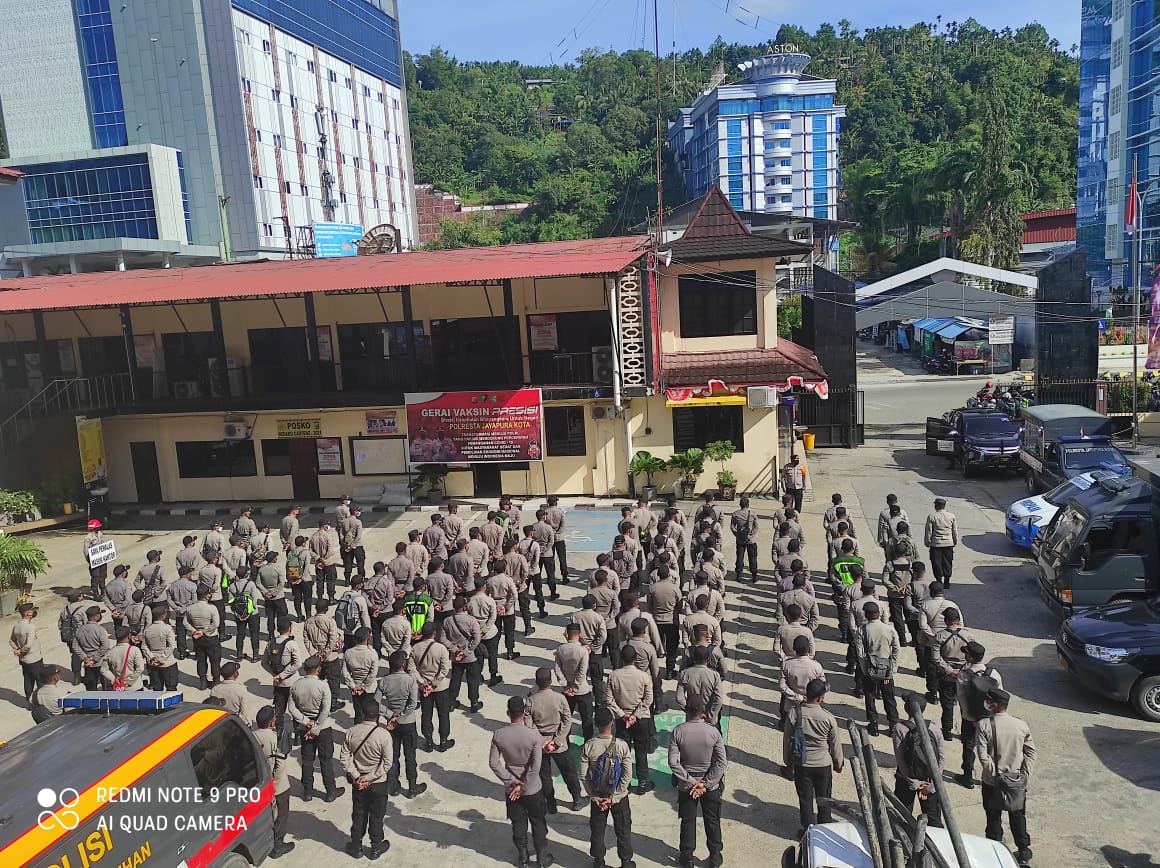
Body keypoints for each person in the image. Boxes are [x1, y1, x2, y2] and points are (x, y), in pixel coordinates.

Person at [491, 694, 555, 868]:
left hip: (511, 790)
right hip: (533, 788)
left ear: (508, 713)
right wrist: (524, 785)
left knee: (518, 823)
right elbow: (535, 766)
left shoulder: (499, 735)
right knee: (538, 822)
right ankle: (541, 859)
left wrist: (512, 782)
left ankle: (523, 858)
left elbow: (494, 763)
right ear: (525, 711)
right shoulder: (533, 735)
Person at [976, 689, 1036, 866]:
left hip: (992, 782)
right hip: (1016, 782)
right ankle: (1023, 852)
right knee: (1018, 817)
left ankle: (995, 853)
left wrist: (995, 774)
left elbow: (983, 756)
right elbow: (1031, 753)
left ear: (994, 705)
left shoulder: (984, 725)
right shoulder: (1021, 725)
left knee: (993, 817)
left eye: (989, 701)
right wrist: (1025, 777)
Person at [669, 698, 727, 868]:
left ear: (687, 711)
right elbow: (721, 762)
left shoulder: (678, 731)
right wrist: (705, 783)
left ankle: (687, 857)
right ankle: (715, 856)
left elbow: (673, 762)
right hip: (711, 785)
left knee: (687, 820)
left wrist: (691, 781)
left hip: (686, 785)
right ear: (703, 712)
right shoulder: (713, 732)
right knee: (712, 820)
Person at [581, 705, 635, 868]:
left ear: (596, 724)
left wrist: (594, 796)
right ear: (612, 723)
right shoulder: (621, 745)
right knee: (623, 828)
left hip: (598, 794)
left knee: (597, 830)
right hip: (619, 796)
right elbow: (627, 774)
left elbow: (583, 775)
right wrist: (615, 796)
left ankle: (599, 861)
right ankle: (626, 861)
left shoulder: (589, 746)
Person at [340, 696, 393, 859]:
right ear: (378, 715)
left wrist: (357, 776)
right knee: (377, 815)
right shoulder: (384, 735)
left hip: (358, 783)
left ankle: (356, 846)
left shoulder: (351, 732)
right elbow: (387, 763)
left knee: (358, 813)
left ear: (362, 713)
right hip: (378, 783)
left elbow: (344, 758)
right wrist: (370, 777)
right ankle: (376, 846)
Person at [527, 667, 585, 813]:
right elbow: (567, 720)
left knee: (544, 775)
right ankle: (577, 799)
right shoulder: (560, 698)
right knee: (569, 771)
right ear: (550, 681)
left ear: (537, 682)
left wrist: (542, 742)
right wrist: (557, 740)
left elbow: (529, 725)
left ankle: (550, 804)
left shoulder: (531, 701)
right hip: (559, 742)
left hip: (540, 743)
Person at [791, 678, 845, 833]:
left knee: (805, 799)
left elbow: (787, 738)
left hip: (802, 764)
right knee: (824, 799)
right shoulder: (828, 718)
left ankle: (808, 832)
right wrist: (838, 763)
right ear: (821, 698)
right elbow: (835, 744)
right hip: (823, 765)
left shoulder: (795, 713)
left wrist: (788, 760)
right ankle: (824, 830)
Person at [289, 655, 345, 803]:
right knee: (326, 760)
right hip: (322, 728)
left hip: (304, 728)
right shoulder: (323, 686)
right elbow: (325, 710)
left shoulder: (296, 685)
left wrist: (305, 722)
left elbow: (292, 708)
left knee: (307, 760)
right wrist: (315, 728)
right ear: (318, 669)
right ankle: (330, 791)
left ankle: (308, 791)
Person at [377, 650, 427, 799]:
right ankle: (412, 786)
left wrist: (390, 714)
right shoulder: (410, 680)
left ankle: (393, 786)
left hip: (392, 724)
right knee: (410, 756)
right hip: (408, 723)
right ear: (403, 664)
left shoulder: (384, 681)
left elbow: (376, 702)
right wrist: (402, 714)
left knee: (393, 756)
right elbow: (413, 703)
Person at [606, 644, 654, 795]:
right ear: (635, 659)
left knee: (623, 753)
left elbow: (609, 699)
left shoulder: (613, 676)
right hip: (641, 719)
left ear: (621, 658)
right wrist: (635, 715)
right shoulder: (644, 676)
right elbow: (648, 699)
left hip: (622, 721)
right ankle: (642, 783)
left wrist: (622, 715)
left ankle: (624, 784)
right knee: (641, 751)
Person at [893, 693, 946, 828]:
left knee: (902, 816)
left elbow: (900, 760)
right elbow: (941, 758)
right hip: (929, 779)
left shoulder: (900, 728)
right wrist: (932, 784)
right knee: (933, 819)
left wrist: (913, 782)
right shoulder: (934, 728)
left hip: (906, 780)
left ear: (906, 708)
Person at [956, 641, 1003, 789]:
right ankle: (992, 777)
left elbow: (962, 700)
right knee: (991, 749)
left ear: (970, 657)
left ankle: (968, 777)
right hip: (990, 719)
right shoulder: (994, 673)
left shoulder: (964, 675)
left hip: (970, 719)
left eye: (966, 653)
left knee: (968, 746)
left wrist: (970, 718)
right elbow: (1001, 696)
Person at [254, 705, 295, 858]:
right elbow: (280, 764)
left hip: (260, 783)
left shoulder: (252, 736)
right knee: (281, 815)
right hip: (278, 786)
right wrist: (274, 783)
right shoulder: (275, 738)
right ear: (272, 722)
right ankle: (278, 845)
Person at [855, 601, 900, 736]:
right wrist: (893, 668)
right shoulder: (889, 629)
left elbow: (860, 653)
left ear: (866, 615)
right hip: (886, 670)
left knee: (870, 696)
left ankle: (873, 724)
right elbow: (896, 648)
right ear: (879, 614)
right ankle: (893, 725)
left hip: (870, 669)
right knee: (889, 698)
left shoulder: (861, 630)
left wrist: (864, 670)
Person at [411, 621, 454, 752]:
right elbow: (445, 669)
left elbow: (412, 669)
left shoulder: (415, 648)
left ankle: (428, 741)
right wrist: (434, 683)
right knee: (443, 714)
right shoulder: (441, 649)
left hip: (424, 688)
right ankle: (443, 740)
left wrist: (422, 682)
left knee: (426, 714)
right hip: (440, 687)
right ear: (434, 634)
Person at [932, 607, 973, 741]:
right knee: (965, 706)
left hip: (946, 676)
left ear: (946, 620)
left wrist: (950, 670)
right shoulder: (968, 636)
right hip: (964, 674)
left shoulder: (940, 636)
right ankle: (965, 733)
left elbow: (936, 658)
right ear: (958, 620)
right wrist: (962, 670)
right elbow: (972, 656)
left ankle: (947, 731)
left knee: (947, 705)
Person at [442, 595, 483, 713]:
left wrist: (454, 649)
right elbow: (476, 638)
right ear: (464, 607)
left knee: (455, 679)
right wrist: (466, 651)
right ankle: (474, 703)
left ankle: (452, 702)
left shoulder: (447, 621)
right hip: (470, 656)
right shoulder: (471, 620)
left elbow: (443, 639)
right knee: (473, 679)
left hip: (456, 657)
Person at [779, 634, 824, 741]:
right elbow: (822, 685)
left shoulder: (787, 665)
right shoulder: (816, 666)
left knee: (790, 736)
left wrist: (798, 697)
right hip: (811, 705)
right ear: (809, 649)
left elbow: (782, 686)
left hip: (791, 706)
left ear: (794, 648)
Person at [555, 622, 594, 741]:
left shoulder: (561, 649)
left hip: (567, 690)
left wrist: (565, 685)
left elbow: (557, 669)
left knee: (566, 718)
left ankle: (564, 741)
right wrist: (575, 686)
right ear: (580, 634)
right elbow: (582, 671)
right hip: (582, 689)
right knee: (587, 718)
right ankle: (588, 741)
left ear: (567, 634)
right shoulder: (582, 651)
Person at [303, 600, 344, 710]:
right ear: (327, 609)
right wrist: (326, 652)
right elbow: (333, 639)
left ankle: (317, 700)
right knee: (334, 679)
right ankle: (333, 702)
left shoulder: (308, 622)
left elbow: (306, 640)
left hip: (316, 658)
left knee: (317, 680)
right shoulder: (330, 621)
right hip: (331, 657)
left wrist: (314, 653)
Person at [269, 616, 302, 733]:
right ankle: (297, 734)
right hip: (292, 682)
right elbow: (298, 664)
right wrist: (283, 675)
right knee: (296, 709)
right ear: (289, 629)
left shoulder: (271, 643)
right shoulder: (291, 644)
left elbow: (264, 663)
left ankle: (279, 732)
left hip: (278, 683)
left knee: (279, 709)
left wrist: (275, 674)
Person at [677, 646, 724, 728]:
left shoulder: (685, 674)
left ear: (693, 658)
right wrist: (710, 717)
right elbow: (719, 699)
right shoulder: (714, 675)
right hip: (709, 717)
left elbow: (679, 698)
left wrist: (690, 711)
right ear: (708, 659)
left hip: (692, 717)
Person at [185, 586, 221, 689]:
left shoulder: (190, 608)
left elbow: (185, 623)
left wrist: (194, 631)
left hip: (198, 638)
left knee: (201, 660)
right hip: (211, 637)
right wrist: (204, 631)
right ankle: (216, 681)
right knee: (214, 660)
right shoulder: (212, 608)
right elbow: (216, 624)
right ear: (206, 596)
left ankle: (203, 682)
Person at [468, 576, 502, 686]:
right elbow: (493, 617)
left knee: (478, 656)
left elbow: (469, 617)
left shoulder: (470, 601)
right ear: (484, 587)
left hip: (476, 632)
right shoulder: (489, 600)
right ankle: (493, 676)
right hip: (490, 632)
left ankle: (478, 676)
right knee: (493, 654)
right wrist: (485, 629)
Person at [9, 603, 44, 702]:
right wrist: (21, 651)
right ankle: (41, 702)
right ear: (28, 613)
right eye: (32, 610)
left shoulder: (16, 625)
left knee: (28, 680)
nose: (34, 612)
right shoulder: (30, 627)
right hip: (34, 659)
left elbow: (11, 641)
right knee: (40, 681)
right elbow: (28, 645)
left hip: (24, 660)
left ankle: (29, 701)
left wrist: (17, 649)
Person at [72, 605, 112, 690]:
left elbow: (75, 646)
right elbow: (106, 646)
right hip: (101, 661)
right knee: (106, 686)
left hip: (88, 663)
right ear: (96, 616)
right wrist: (95, 658)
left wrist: (84, 658)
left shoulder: (80, 630)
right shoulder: (100, 629)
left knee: (91, 687)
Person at [229, 564, 262, 663]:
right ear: (246, 575)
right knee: (254, 634)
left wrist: (237, 612)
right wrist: (249, 612)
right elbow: (255, 600)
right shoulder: (251, 584)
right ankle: (255, 655)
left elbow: (230, 601)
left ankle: (239, 655)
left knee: (240, 634)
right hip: (252, 613)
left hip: (239, 614)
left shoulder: (232, 586)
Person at [142, 605, 179, 691]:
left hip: (153, 664)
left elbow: (144, 646)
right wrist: (161, 659)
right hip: (167, 663)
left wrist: (151, 657)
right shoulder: (167, 628)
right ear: (163, 616)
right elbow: (171, 646)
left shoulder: (147, 630)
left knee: (157, 689)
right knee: (171, 688)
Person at [924, 498, 959, 587]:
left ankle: (939, 581)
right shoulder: (951, 516)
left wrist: (927, 541)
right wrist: (955, 541)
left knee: (936, 563)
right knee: (948, 562)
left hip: (936, 544)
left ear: (936, 506)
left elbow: (929, 531)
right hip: (948, 543)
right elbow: (954, 531)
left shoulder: (932, 516)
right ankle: (947, 581)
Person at [488, 563, 520, 661]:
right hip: (508, 609)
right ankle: (510, 652)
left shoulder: (490, 580)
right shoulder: (508, 580)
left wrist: (495, 605)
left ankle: (494, 651)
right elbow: (515, 595)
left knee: (496, 632)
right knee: (509, 631)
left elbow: (487, 594)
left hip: (495, 608)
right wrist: (507, 606)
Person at [344, 627, 379, 711]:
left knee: (358, 711)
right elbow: (373, 674)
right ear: (367, 638)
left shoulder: (348, 652)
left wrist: (353, 686)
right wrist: (363, 687)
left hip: (355, 687)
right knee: (370, 711)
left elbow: (345, 672)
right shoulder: (372, 653)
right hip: (369, 688)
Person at [167, 564, 198, 660]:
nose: (191, 575)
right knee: (194, 631)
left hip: (179, 613)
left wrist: (176, 608)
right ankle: (197, 651)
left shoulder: (172, 586)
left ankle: (182, 652)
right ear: (187, 574)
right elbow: (194, 601)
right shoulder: (192, 585)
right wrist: (184, 608)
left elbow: (169, 600)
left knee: (181, 632)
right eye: (190, 573)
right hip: (190, 612)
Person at [101, 626, 146, 691]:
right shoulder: (135, 650)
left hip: (119, 687)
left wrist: (113, 679)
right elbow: (140, 668)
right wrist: (129, 681)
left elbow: (103, 669)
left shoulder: (110, 652)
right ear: (129, 636)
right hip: (135, 687)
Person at [257, 551, 288, 644]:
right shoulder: (278, 568)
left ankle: (271, 635)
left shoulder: (261, 570)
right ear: (275, 559)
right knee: (281, 615)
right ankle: (282, 632)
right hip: (278, 596)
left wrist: (266, 592)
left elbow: (258, 583)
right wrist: (274, 593)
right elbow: (281, 583)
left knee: (270, 617)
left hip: (267, 598)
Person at [309, 519, 339, 603]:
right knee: (331, 580)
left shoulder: (313, 536)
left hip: (318, 563)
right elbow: (330, 551)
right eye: (327, 525)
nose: (328, 526)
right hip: (328, 562)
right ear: (323, 526)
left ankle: (320, 598)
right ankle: (331, 598)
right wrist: (324, 559)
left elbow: (310, 550)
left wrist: (318, 558)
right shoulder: (327, 536)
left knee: (320, 581)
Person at [287, 534, 312, 622]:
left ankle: (299, 616)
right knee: (307, 598)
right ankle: (308, 615)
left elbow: (287, 565)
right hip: (305, 579)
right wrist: (302, 578)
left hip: (294, 578)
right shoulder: (306, 552)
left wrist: (290, 579)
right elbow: (307, 566)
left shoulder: (291, 553)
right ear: (303, 543)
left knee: (297, 598)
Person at [544, 495, 570, 580]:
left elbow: (544, 525)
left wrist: (551, 534)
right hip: (559, 538)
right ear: (556, 502)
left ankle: (551, 577)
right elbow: (563, 525)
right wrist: (557, 533)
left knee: (550, 559)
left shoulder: (545, 512)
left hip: (549, 537)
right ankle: (564, 577)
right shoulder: (560, 512)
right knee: (562, 558)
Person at [103, 564, 133, 633]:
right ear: (122, 573)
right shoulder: (126, 585)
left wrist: (113, 609)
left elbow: (105, 599)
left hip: (115, 612)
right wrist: (120, 610)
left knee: (117, 627)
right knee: (125, 629)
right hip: (125, 611)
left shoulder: (108, 585)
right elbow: (128, 600)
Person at [83, 519, 109, 598]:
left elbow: (103, 543)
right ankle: (95, 593)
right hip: (94, 560)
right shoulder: (88, 537)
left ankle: (103, 591)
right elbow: (86, 550)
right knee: (95, 576)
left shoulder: (100, 534)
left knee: (103, 575)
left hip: (102, 558)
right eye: (97, 527)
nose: (99, 528)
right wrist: (89, 560)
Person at [341, 506, 367, 582]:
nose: (359, 512)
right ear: (355, 512)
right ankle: (361, 579)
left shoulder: (344, 522)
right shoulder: (358, 522)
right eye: (358, 511)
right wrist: (353, 545)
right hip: (357, 546)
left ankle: (347, 580)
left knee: (348, 563)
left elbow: (341, 535)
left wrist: (346, 545)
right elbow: (358, 536)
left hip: (347, 546)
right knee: (360, 563)